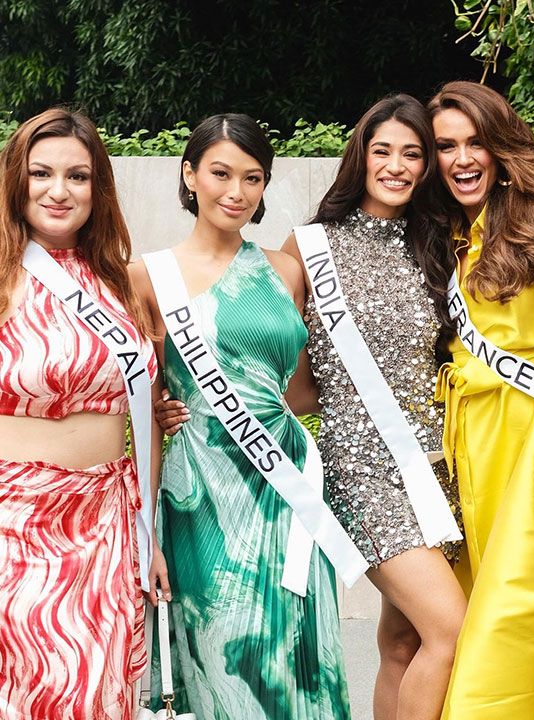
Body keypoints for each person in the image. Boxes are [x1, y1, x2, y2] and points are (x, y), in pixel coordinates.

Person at [157, 96, 467, 720]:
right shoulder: (309, 250)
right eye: (382, 151)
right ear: (360, 156)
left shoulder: (440, 244)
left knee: (403, 641)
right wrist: (178, 400)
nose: (398, 166)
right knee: (450, 631)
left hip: (439, 467)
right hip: (364, 472)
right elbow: (280, 367)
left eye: (413, 154)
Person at [130, 113, 354, 719]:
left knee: (297, 653)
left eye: (252, 178)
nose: (236, 191)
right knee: (224, 653)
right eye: (221, 173)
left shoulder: (284, 272)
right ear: (190, 175)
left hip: (284, 482)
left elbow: (304, 389)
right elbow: (139, 401)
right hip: (201, 491)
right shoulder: (147, 277)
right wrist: (161, 416)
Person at [0, 108, 163, 720]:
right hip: (14, 523)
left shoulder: (119, 281)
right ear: (18, 180)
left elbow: (145, 406)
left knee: (98, 689)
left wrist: (149, 531)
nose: (59, 191)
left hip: (107, 523)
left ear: (99, 189)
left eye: (78, 176)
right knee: (26, 690)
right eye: (42, 173)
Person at [426, 80, 534, 720]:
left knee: (512, 610)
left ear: (499, 150)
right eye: (446, 146)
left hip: (529, 438)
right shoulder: (458, 233)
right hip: (474, 442)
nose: (462, 159)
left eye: (475, 143)